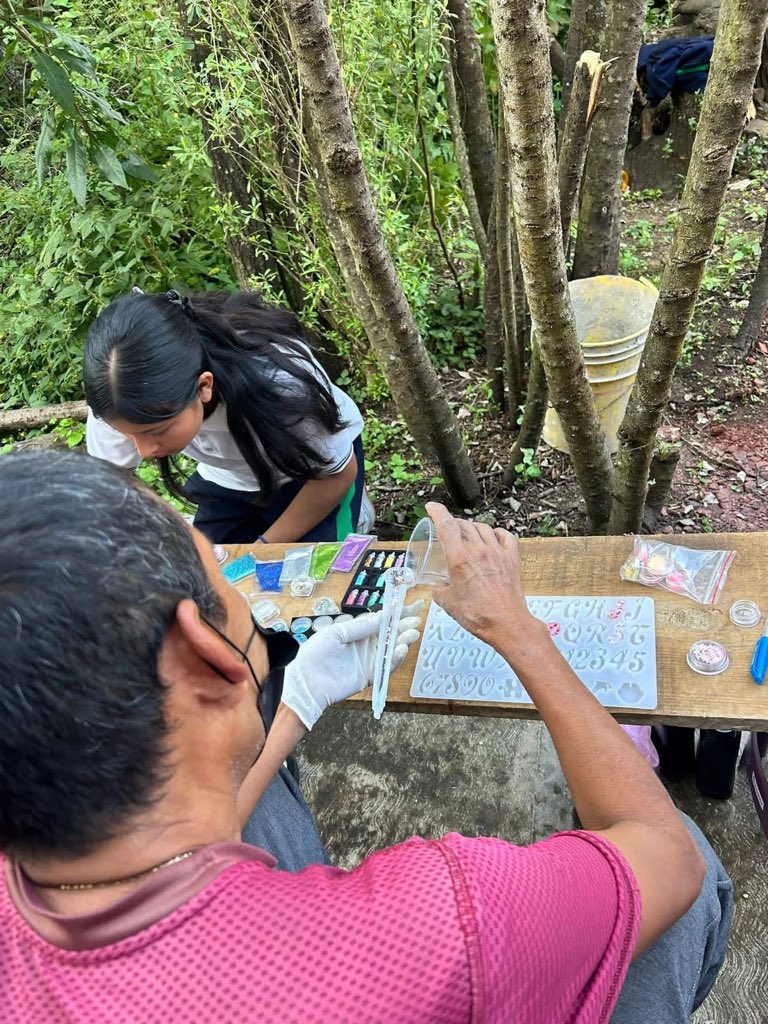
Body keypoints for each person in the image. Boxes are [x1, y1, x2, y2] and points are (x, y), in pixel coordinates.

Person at [0, 452, 732, 1024]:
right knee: (687, 856)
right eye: (225, 581)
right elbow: (660, 853)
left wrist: (297, 705)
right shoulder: (441, 927)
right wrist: (517, 628)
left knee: (254, 790)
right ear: (206, 655)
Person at [84, 289, 371, 543]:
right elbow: (111, 487)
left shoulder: (281, 383)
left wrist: (264, 549)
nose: (144, 452)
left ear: (204, 387)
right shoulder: (117, 398)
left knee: (312, 575)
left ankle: (354, 514)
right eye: (127, 435)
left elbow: (335, 476)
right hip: (227, 476)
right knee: (211, 571)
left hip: (311, 470)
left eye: (157, 431)